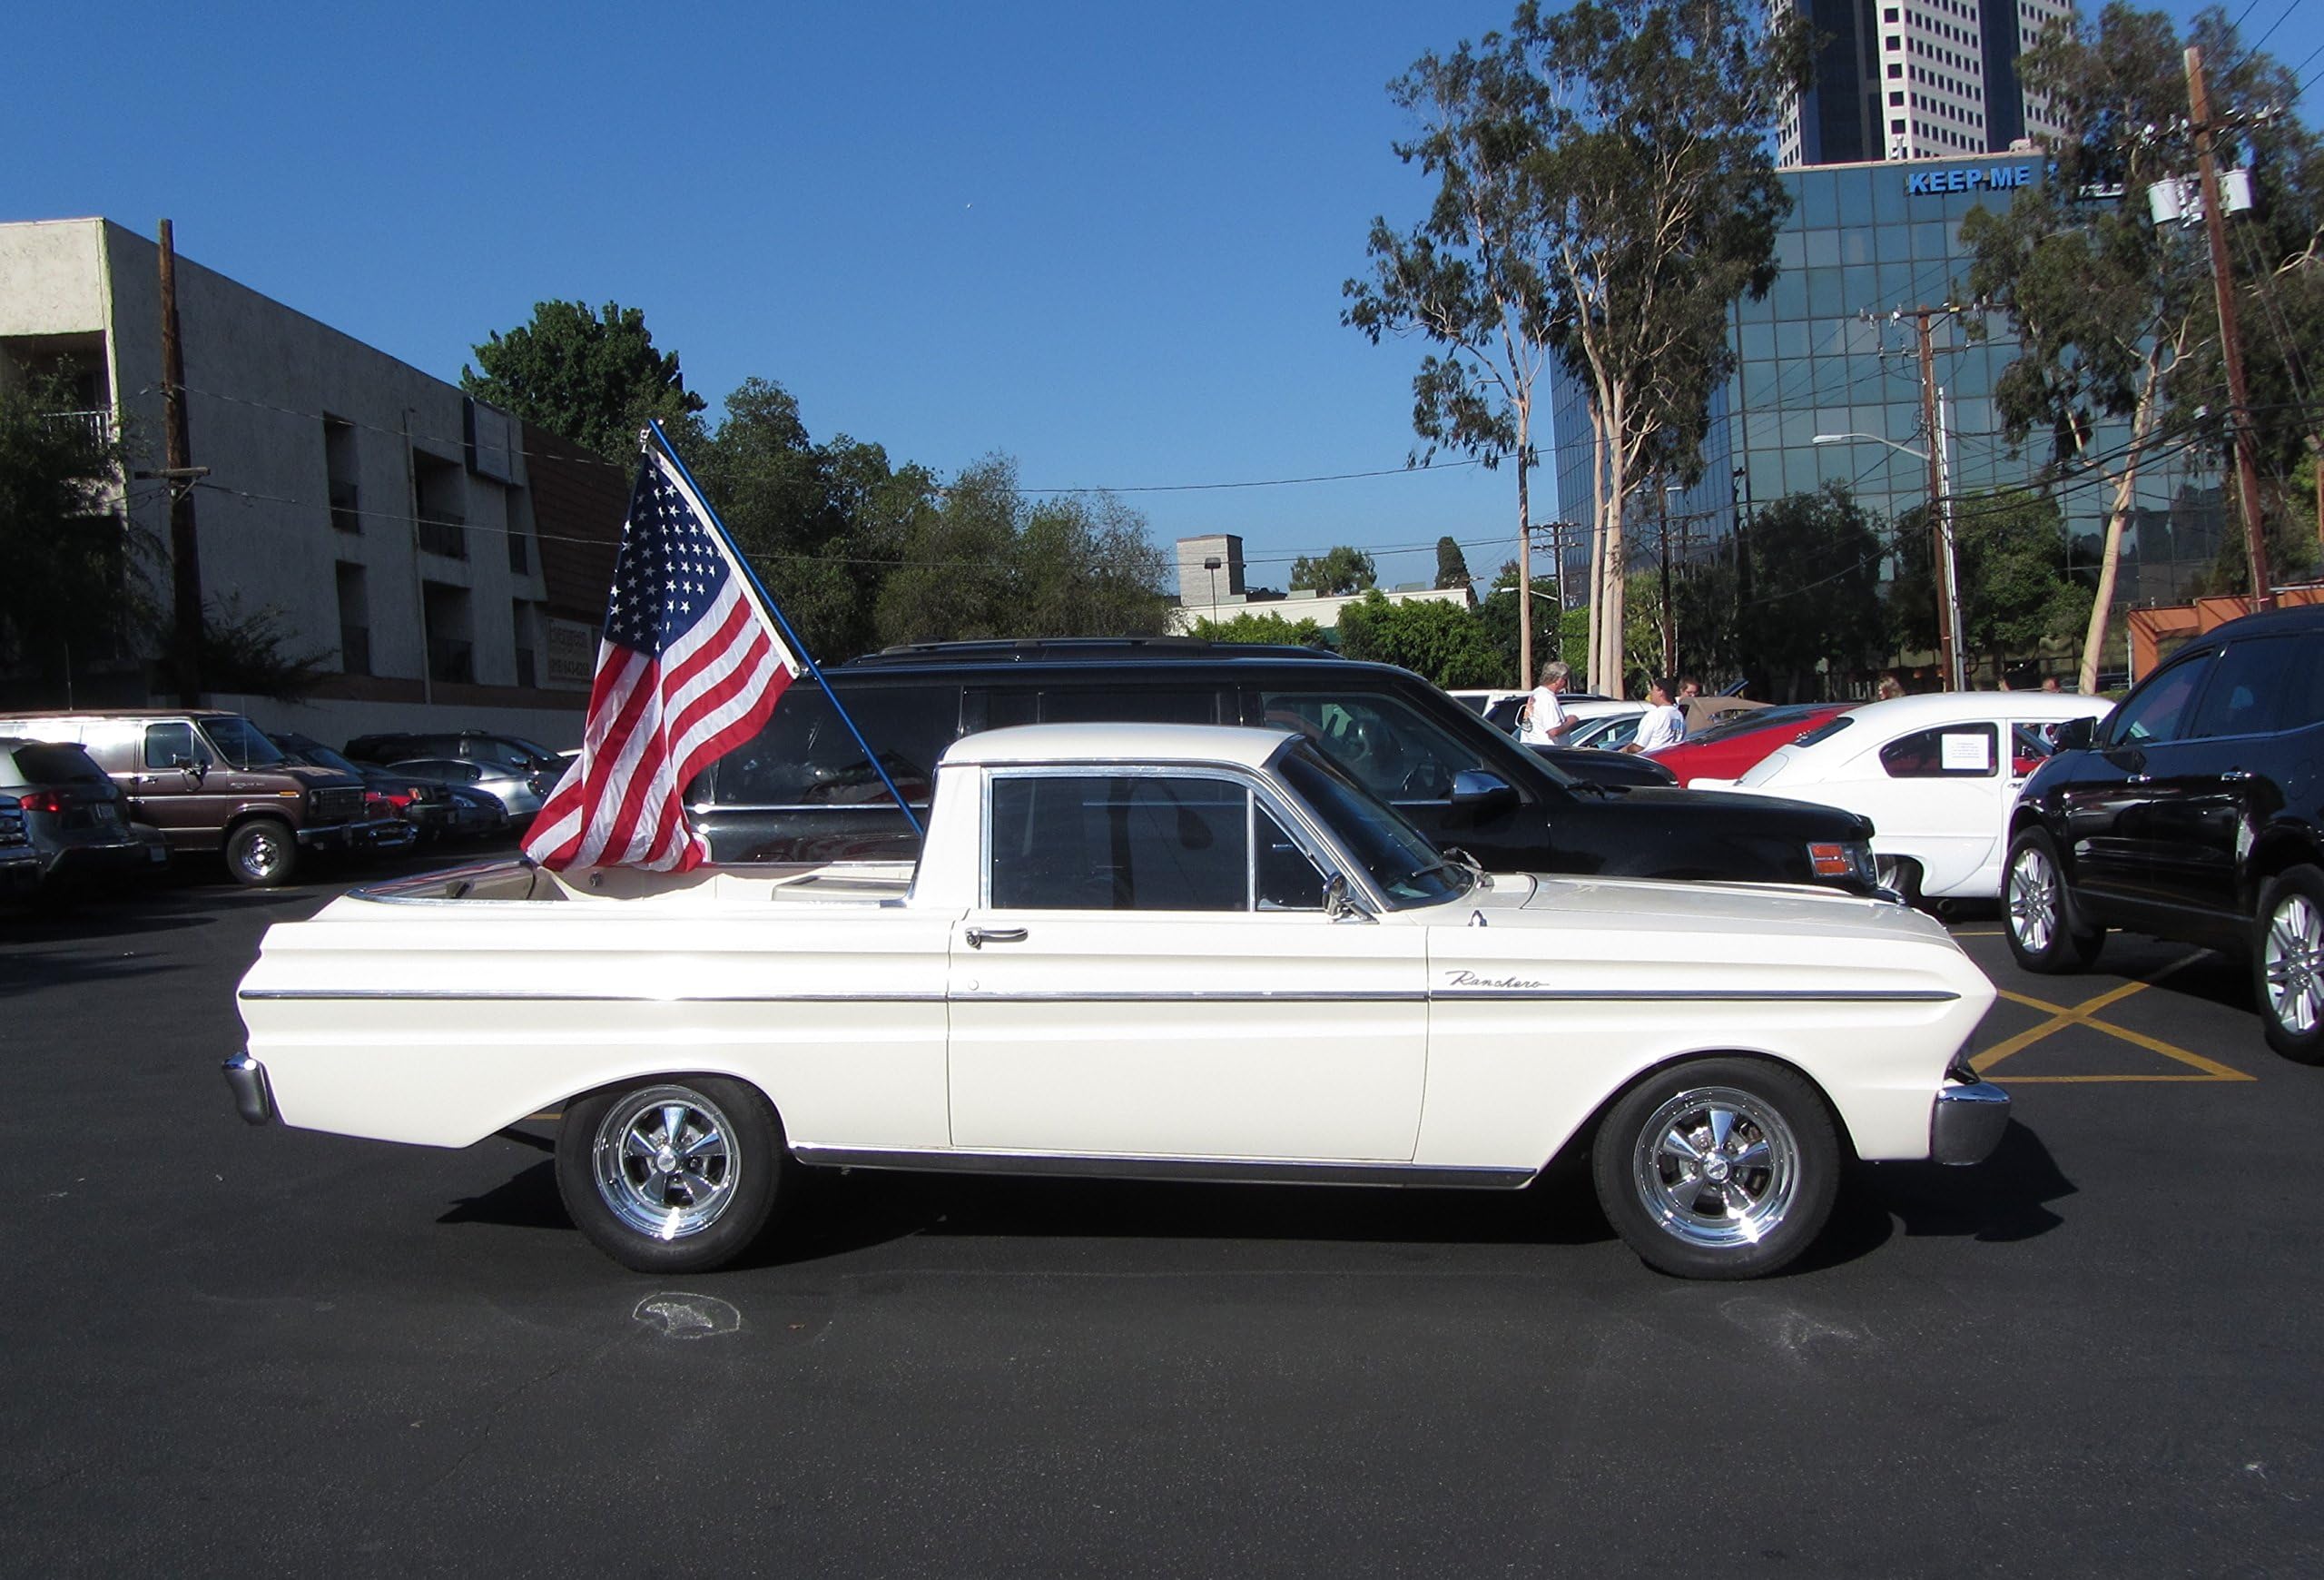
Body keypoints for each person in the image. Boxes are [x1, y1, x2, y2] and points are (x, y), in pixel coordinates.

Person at [1624, 676, 1686, 755]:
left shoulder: (1655, 715)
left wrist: (1624, 751)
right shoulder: (1679, 715)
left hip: (1652, 760)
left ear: (1661, 692)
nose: (1650, 693)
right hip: (1671, 759)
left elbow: (1638, 747)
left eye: (1652, 690)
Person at [1518, 661, 1574, 745]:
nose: (1565, 685)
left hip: (1532, 747)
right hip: (1546, 751)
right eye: (1565, 680)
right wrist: (1570, 721)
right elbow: (1553, 731)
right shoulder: (1547, 698)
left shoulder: (1537, 693)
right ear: (1558, 680)